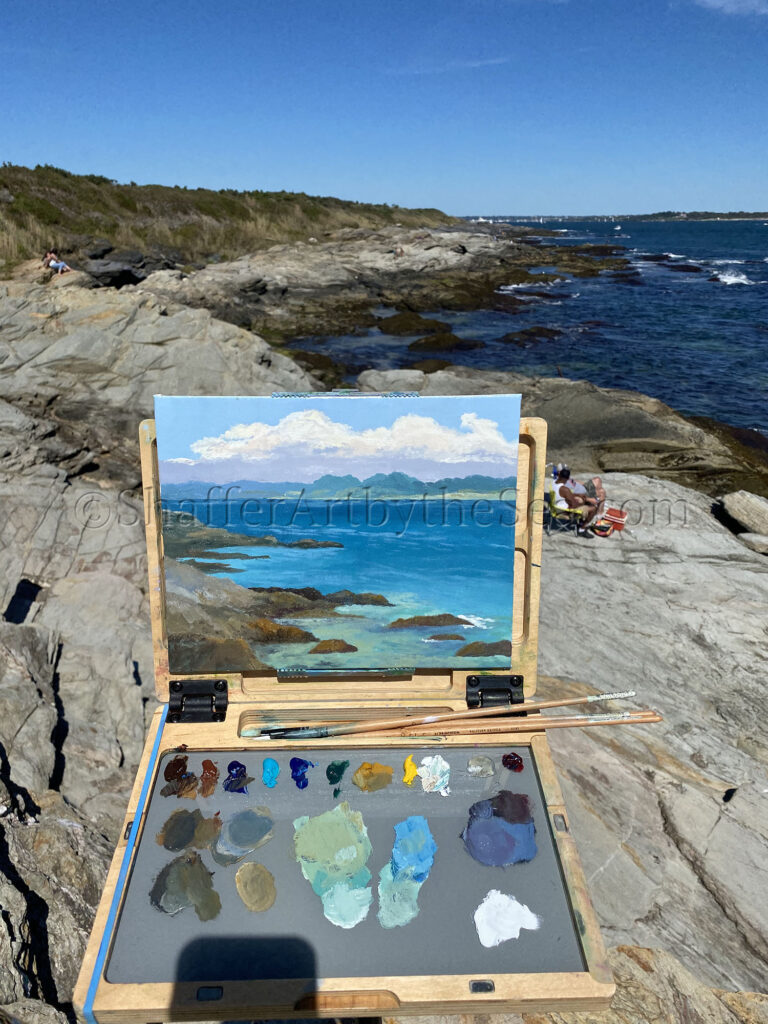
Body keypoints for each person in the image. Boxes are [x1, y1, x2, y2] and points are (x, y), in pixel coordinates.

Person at [552, 466, 600, 537]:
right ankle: (581, 529)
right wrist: (583, 500)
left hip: (557, 505)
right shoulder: (565, 489)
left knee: (583, 499)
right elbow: (574, 504)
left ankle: (582, 521)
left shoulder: (554, 483)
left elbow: (565, 494)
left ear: (559, 475)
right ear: (568, 478)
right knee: (594, 508)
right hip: (564, 510)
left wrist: (579, 496)